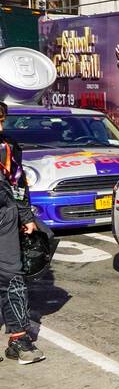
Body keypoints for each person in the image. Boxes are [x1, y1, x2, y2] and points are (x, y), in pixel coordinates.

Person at [0, 102, 45, 364]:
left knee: (12, 276)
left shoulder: (7, 147)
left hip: (5, 217)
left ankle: (19, 339)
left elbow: (17, 184)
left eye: (2, 120)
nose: (1, 127)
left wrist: (26, 216)